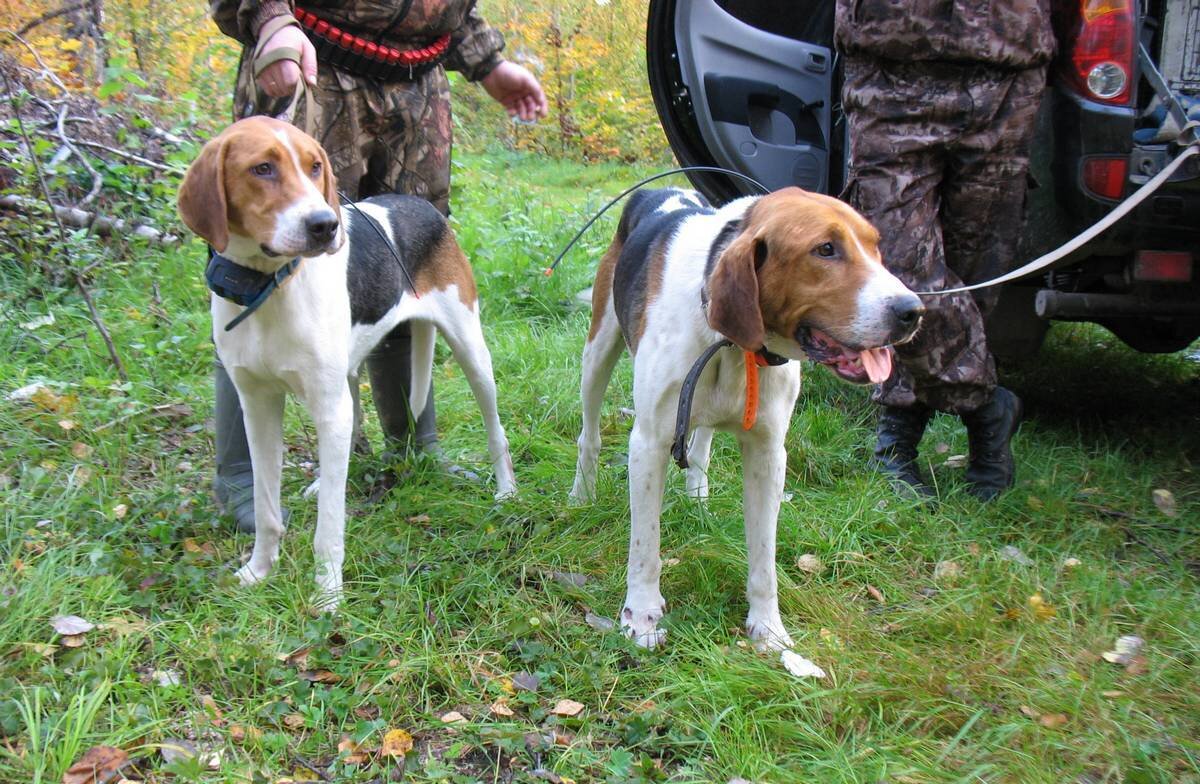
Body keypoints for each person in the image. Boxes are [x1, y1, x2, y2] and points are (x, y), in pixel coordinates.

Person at [209, 0, 548, 531]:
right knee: (263, 262)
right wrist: (268, 15)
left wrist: (487, 62)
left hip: (419, 85)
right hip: (313, 62)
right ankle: (245, 480)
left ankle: (412, 447)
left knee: (391, 268)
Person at [834, 0, 1054, 501]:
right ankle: (985, 409)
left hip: (1008, 62)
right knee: (899, 270)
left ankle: (903, 433)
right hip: (890, 62)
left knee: (977, 272)